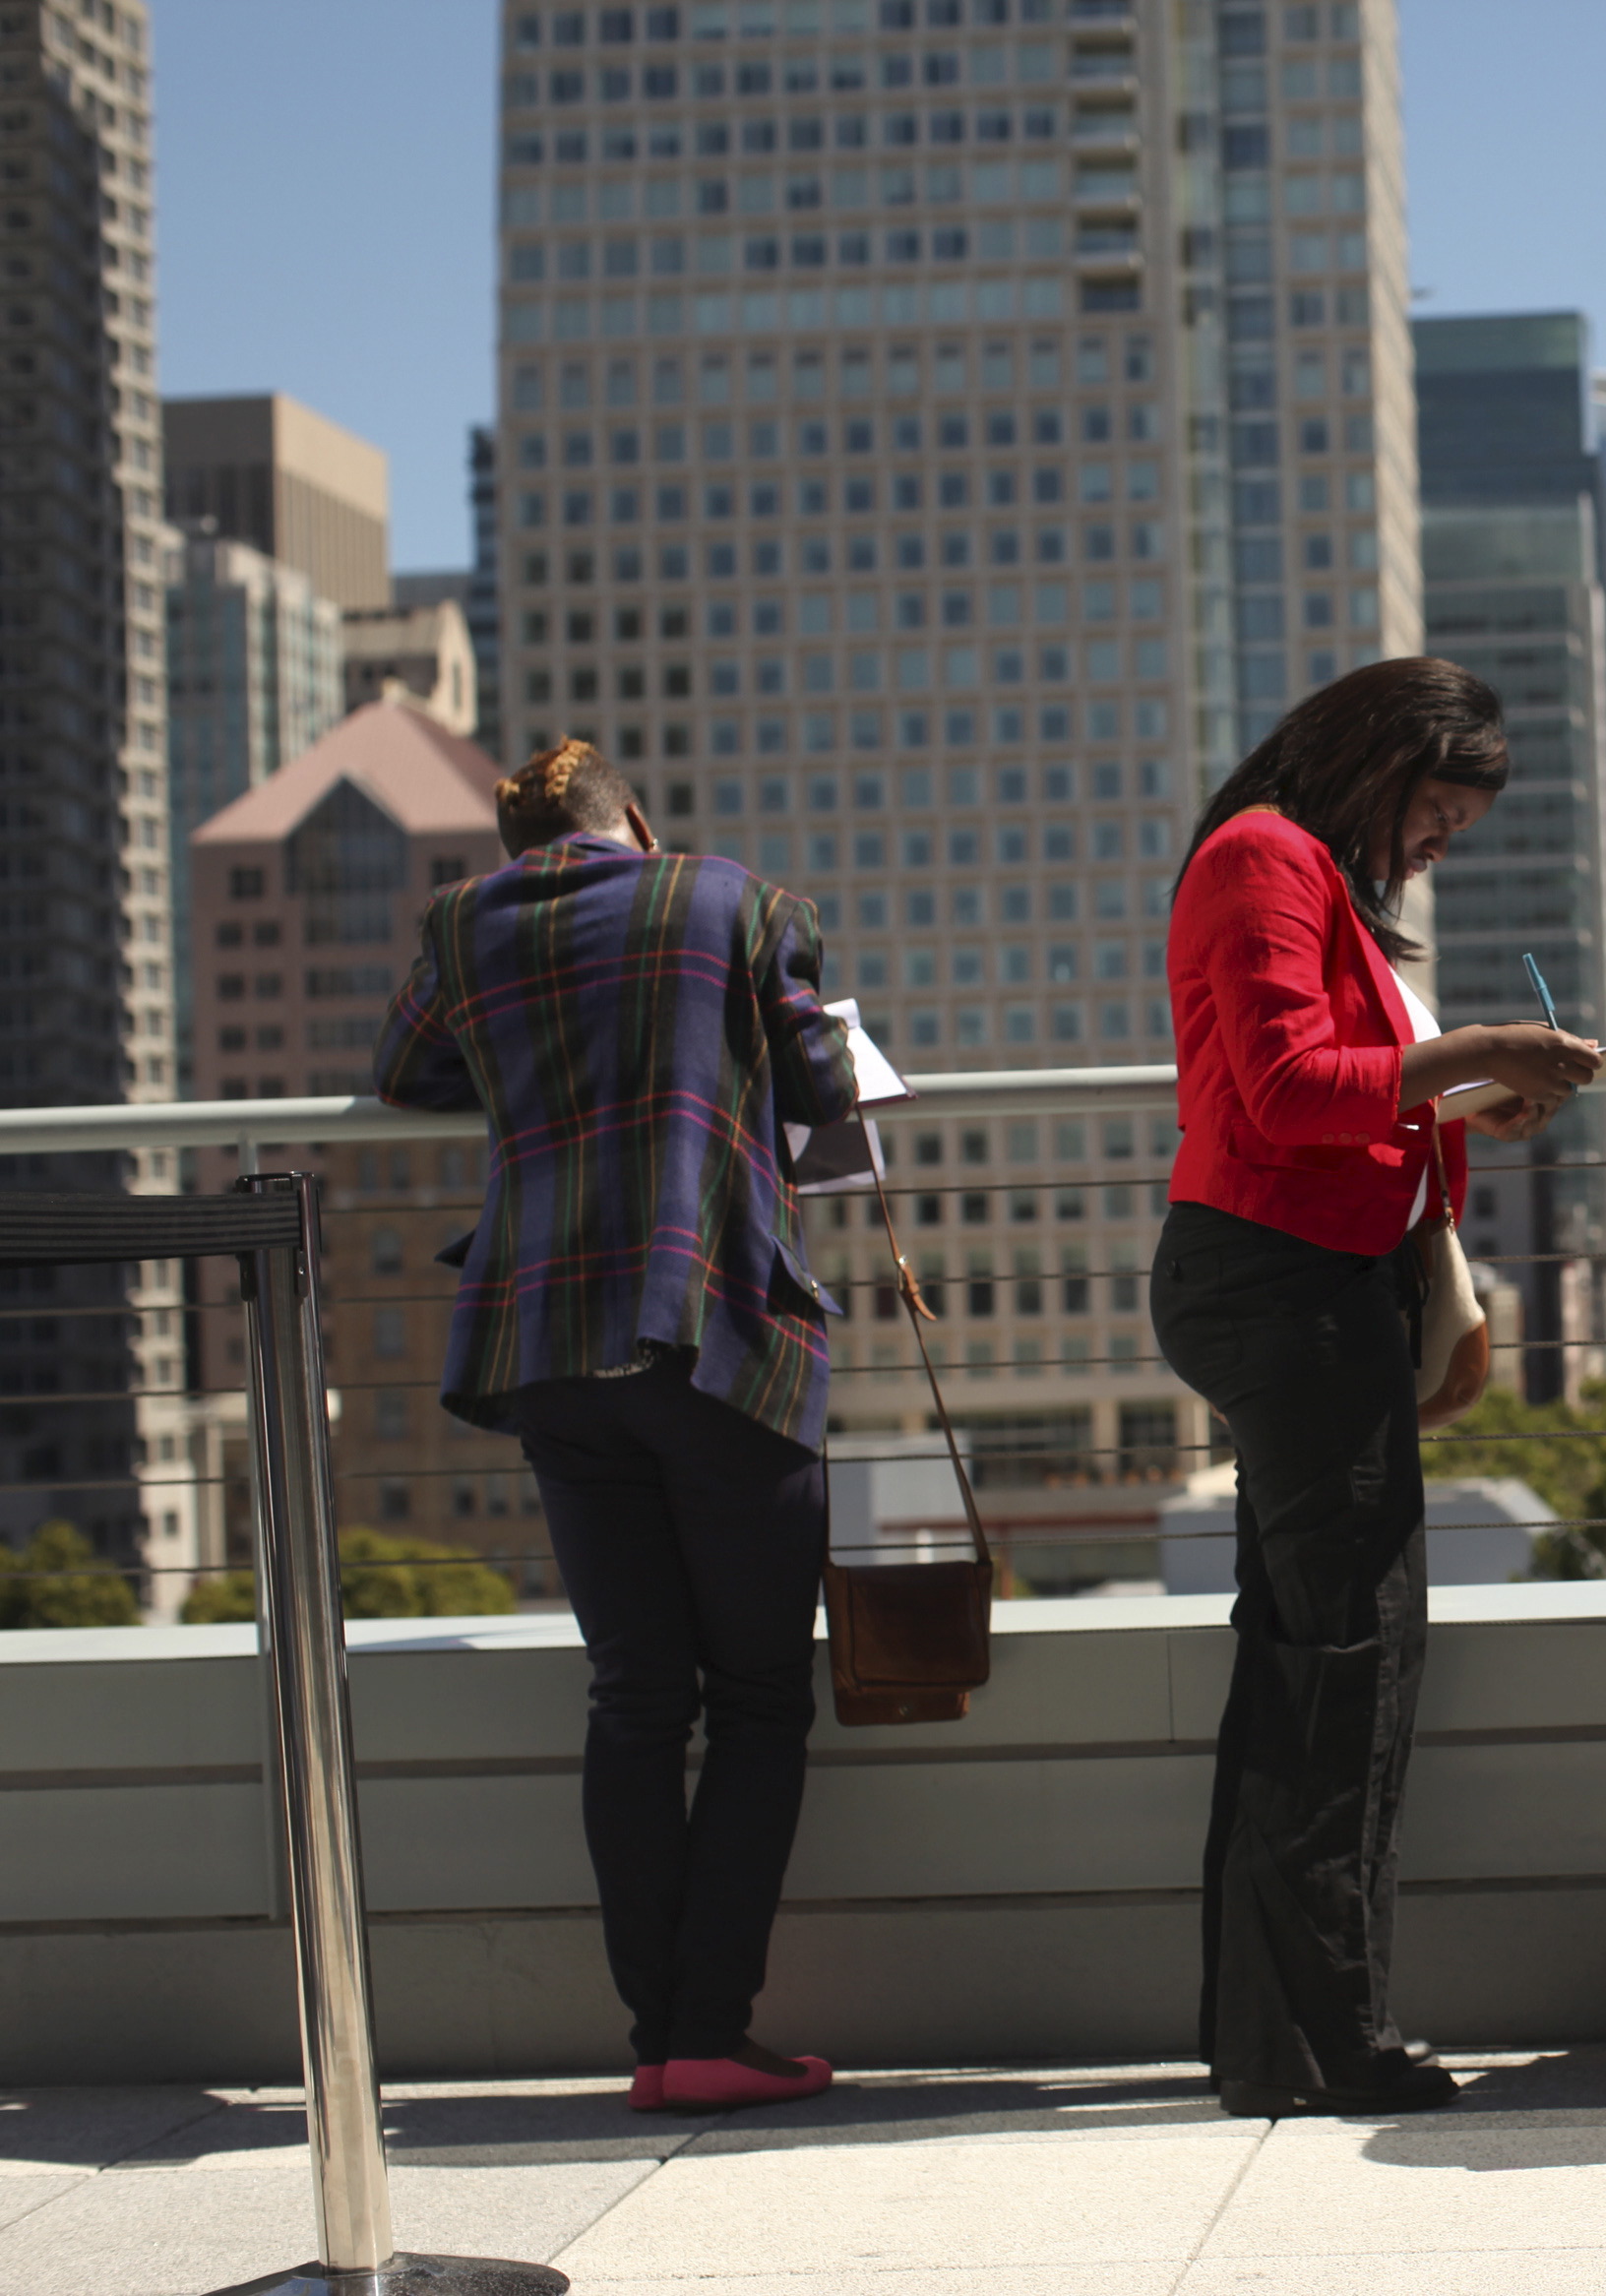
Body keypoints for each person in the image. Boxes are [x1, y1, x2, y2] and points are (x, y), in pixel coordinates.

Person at [372, 739, 854, 2115]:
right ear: (634, 819)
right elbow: (823, 1082)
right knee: (757, 1698)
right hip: (712, 1328)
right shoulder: (729, 899)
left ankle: (660, 2036)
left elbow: (408, 1069)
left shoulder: (464, 925)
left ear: (520, 841)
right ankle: (712, 2025)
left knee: (637, 1694)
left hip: (548, 1342)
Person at [1153, 656, 1601, 2118]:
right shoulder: (1261, 859)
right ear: (1374, 764)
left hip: (1304, 1284)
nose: (1436, 847)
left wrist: (1469, 1092)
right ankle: (1328, 2039)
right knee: (1348, 1666)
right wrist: (1469, 1053)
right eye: (1436, 814)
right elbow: (1287, 1088)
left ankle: (1277, 2038)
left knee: (1314, 1661)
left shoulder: (1294, 866)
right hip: (1282, 1288)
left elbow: (1334, 1082)